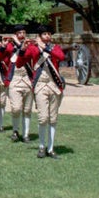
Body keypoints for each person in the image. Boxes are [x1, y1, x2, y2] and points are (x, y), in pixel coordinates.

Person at [25, 25, 65, 159]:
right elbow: (21, 62)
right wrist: (25, 48)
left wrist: (45, 47)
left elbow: (61, 56)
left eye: (49, 34)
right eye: (45, 34)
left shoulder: (54, 47)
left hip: (54, 86)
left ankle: (51, 148)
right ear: (39, 36)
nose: (48, 36)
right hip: (41, 85)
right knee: (43, 118)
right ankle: (42, 146)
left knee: (53, 119)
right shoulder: (33, 48)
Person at [5, 24, 33, 143]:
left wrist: (19, 44)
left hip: (27, 79)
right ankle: (15, 130)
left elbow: (29, 54)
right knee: (16, 108)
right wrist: (5, 45)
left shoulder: (30, 46)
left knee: (27, 110)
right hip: (14, 79)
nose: (22, 35)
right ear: (15, 35)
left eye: (23, 33)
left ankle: (26, 134)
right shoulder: (9, 46)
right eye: (19, 33)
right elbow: (0, 56)